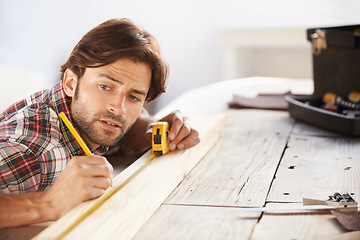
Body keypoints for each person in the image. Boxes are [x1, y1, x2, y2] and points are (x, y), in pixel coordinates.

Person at [0, 18, 200, 228]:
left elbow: (121, 131)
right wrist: (48, 203)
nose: (118, 108)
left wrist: (153, 130)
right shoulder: (27, 148)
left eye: (133, 97)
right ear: (70, 83)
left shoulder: (86, 116)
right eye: (105, 87)